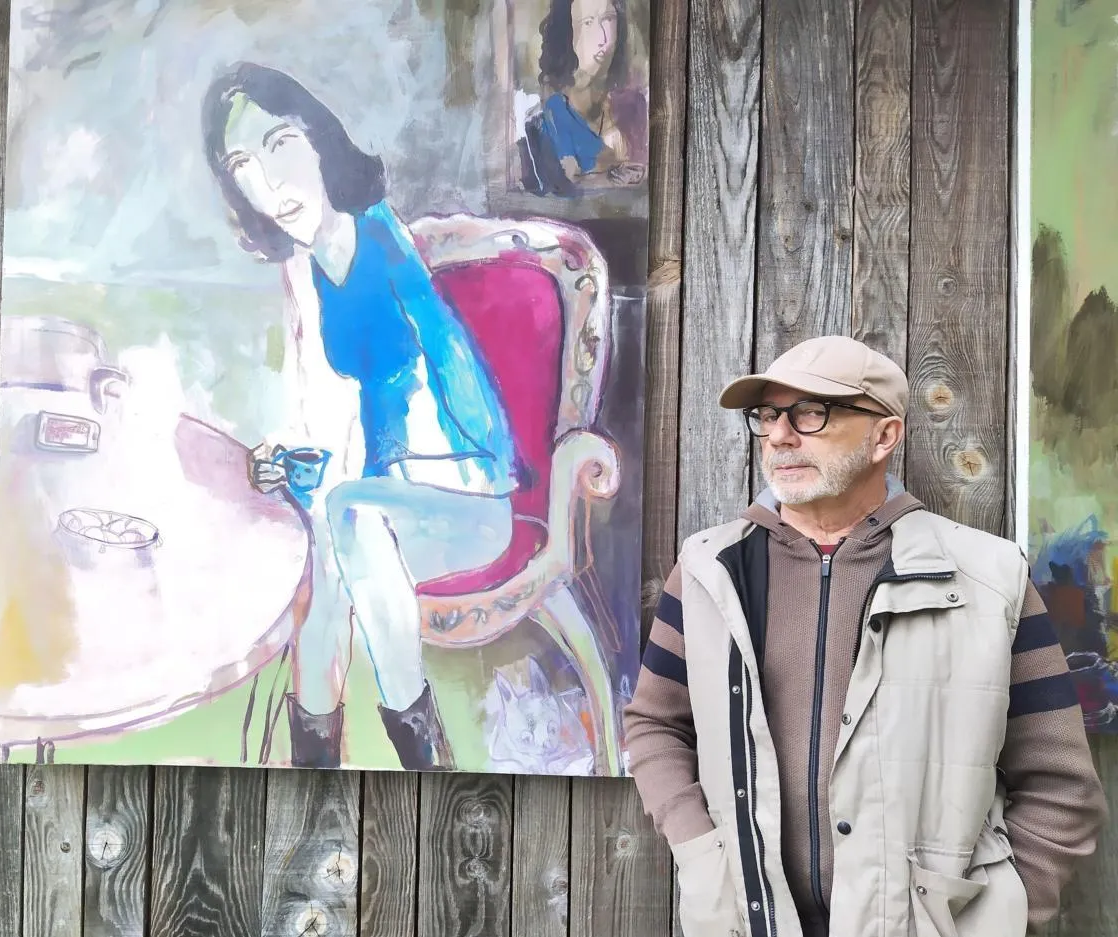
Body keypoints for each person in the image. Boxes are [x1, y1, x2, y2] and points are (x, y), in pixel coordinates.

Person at [622, 335, 1108, 937]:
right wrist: (701, 852)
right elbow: (655, 723)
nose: (779, 436)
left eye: (811, 413)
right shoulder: (708, 570)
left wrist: (999, 914)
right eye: (768, 415)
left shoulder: (988, 578)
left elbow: (1061, 785)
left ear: (884, 436)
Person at [202, 63, 519, 771]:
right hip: (382, 505)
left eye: (280, 146)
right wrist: (285, 452)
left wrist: (342, 482)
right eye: (243, 167)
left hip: (466, 495)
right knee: (332, 541)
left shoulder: (380, 242)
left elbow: (431, 407)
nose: (268, 184)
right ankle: (319, 763)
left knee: (347, 516)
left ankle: (423, 761)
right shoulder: (300, 268)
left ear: (319, 141)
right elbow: (320, 407)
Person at [520, 0, 647, 195]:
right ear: (567, 34)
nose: (603, 38)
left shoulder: (634, 107)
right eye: (588, 22)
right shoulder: (551, 114)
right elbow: (568, 183)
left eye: (608, 19)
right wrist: (611, 178)